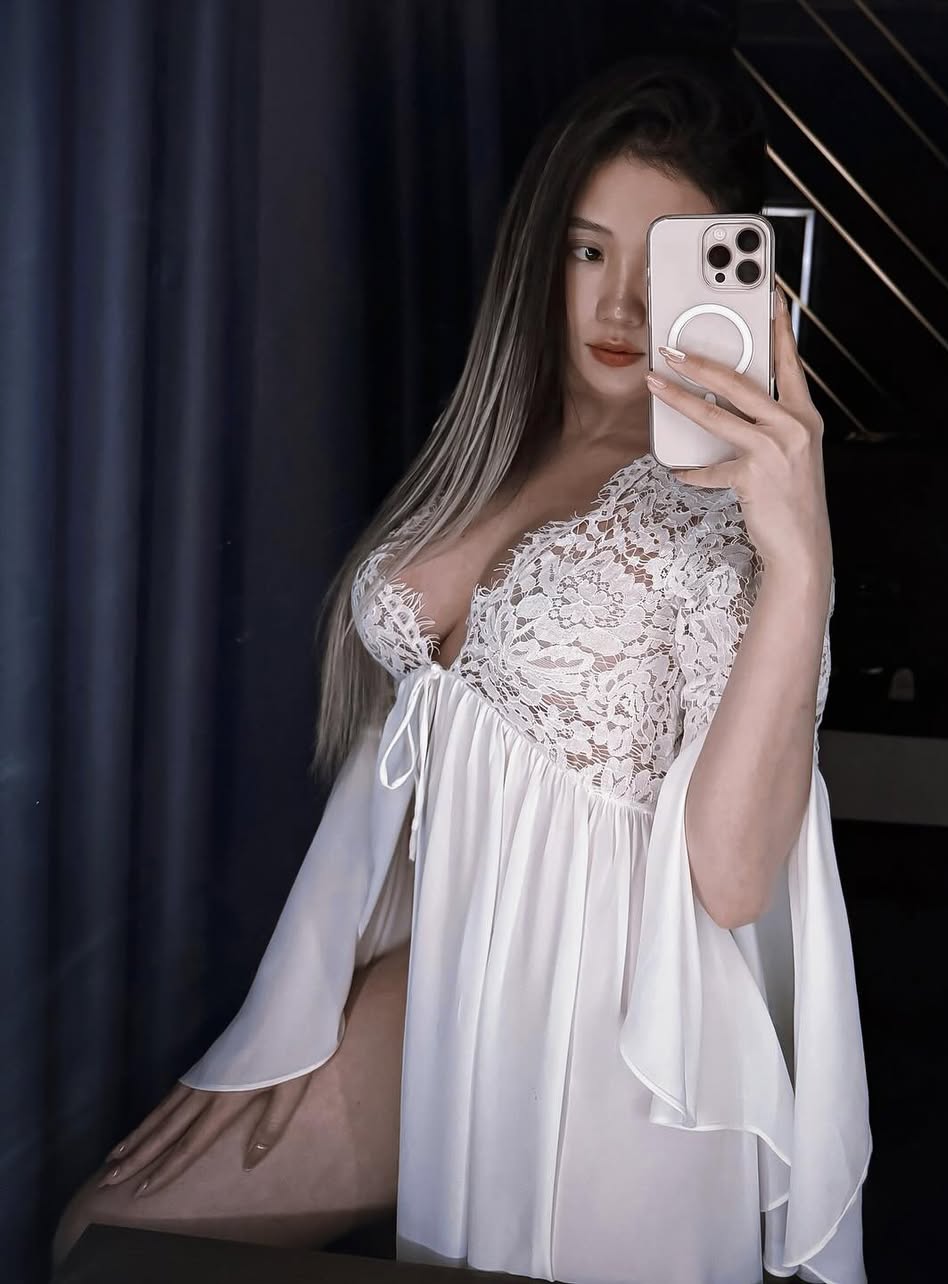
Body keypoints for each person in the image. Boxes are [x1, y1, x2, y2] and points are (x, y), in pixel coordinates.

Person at [53, 54, 871, 1284]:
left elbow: (734, 878)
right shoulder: (491, 442)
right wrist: (302, 1003)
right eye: (588, 250)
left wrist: (800, 563)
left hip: (607, 1032)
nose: (621, 304)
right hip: (435, 962)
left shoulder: (727, 513)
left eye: (662, 263)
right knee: (101, 1233)